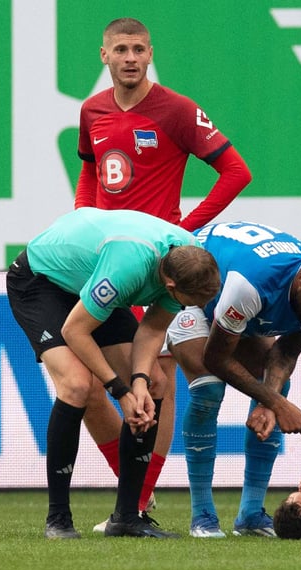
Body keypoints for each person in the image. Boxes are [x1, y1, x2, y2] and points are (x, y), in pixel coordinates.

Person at [74, 16, 252, 526]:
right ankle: (135, 494)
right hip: (107, 263)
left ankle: (135, 500)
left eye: (138, 49)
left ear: (150, 53)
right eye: (120, 49)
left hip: (159, 272)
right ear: (103, 56)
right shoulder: (93, 111)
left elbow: (236, 171)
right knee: (86, 386)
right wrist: (83, 221)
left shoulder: (176, 110)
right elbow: (90, 170)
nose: (130, 58)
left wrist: (183, 232)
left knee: (157, 383)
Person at [6, 208, 221, 539]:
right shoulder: (127, 268)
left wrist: (139, 384)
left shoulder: (191, 258)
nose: (191, 308)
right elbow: (76, 330)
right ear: (169, 284)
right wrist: (121, 391)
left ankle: (126, 517)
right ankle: (58, 518)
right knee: (77, 385)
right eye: (188, 302)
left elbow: (152, 330)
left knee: (157, 383)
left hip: (87, 276)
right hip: (41, 282)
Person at [166, 221, 301, 538]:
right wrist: (275, 403)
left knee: (278, 385)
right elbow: (215, 357)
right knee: (209, 390)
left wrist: (270, 402)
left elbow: (285, 352)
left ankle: (251, 516)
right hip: (192, 299)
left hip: (235, 310)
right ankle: (202, 514)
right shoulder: (252, 284)